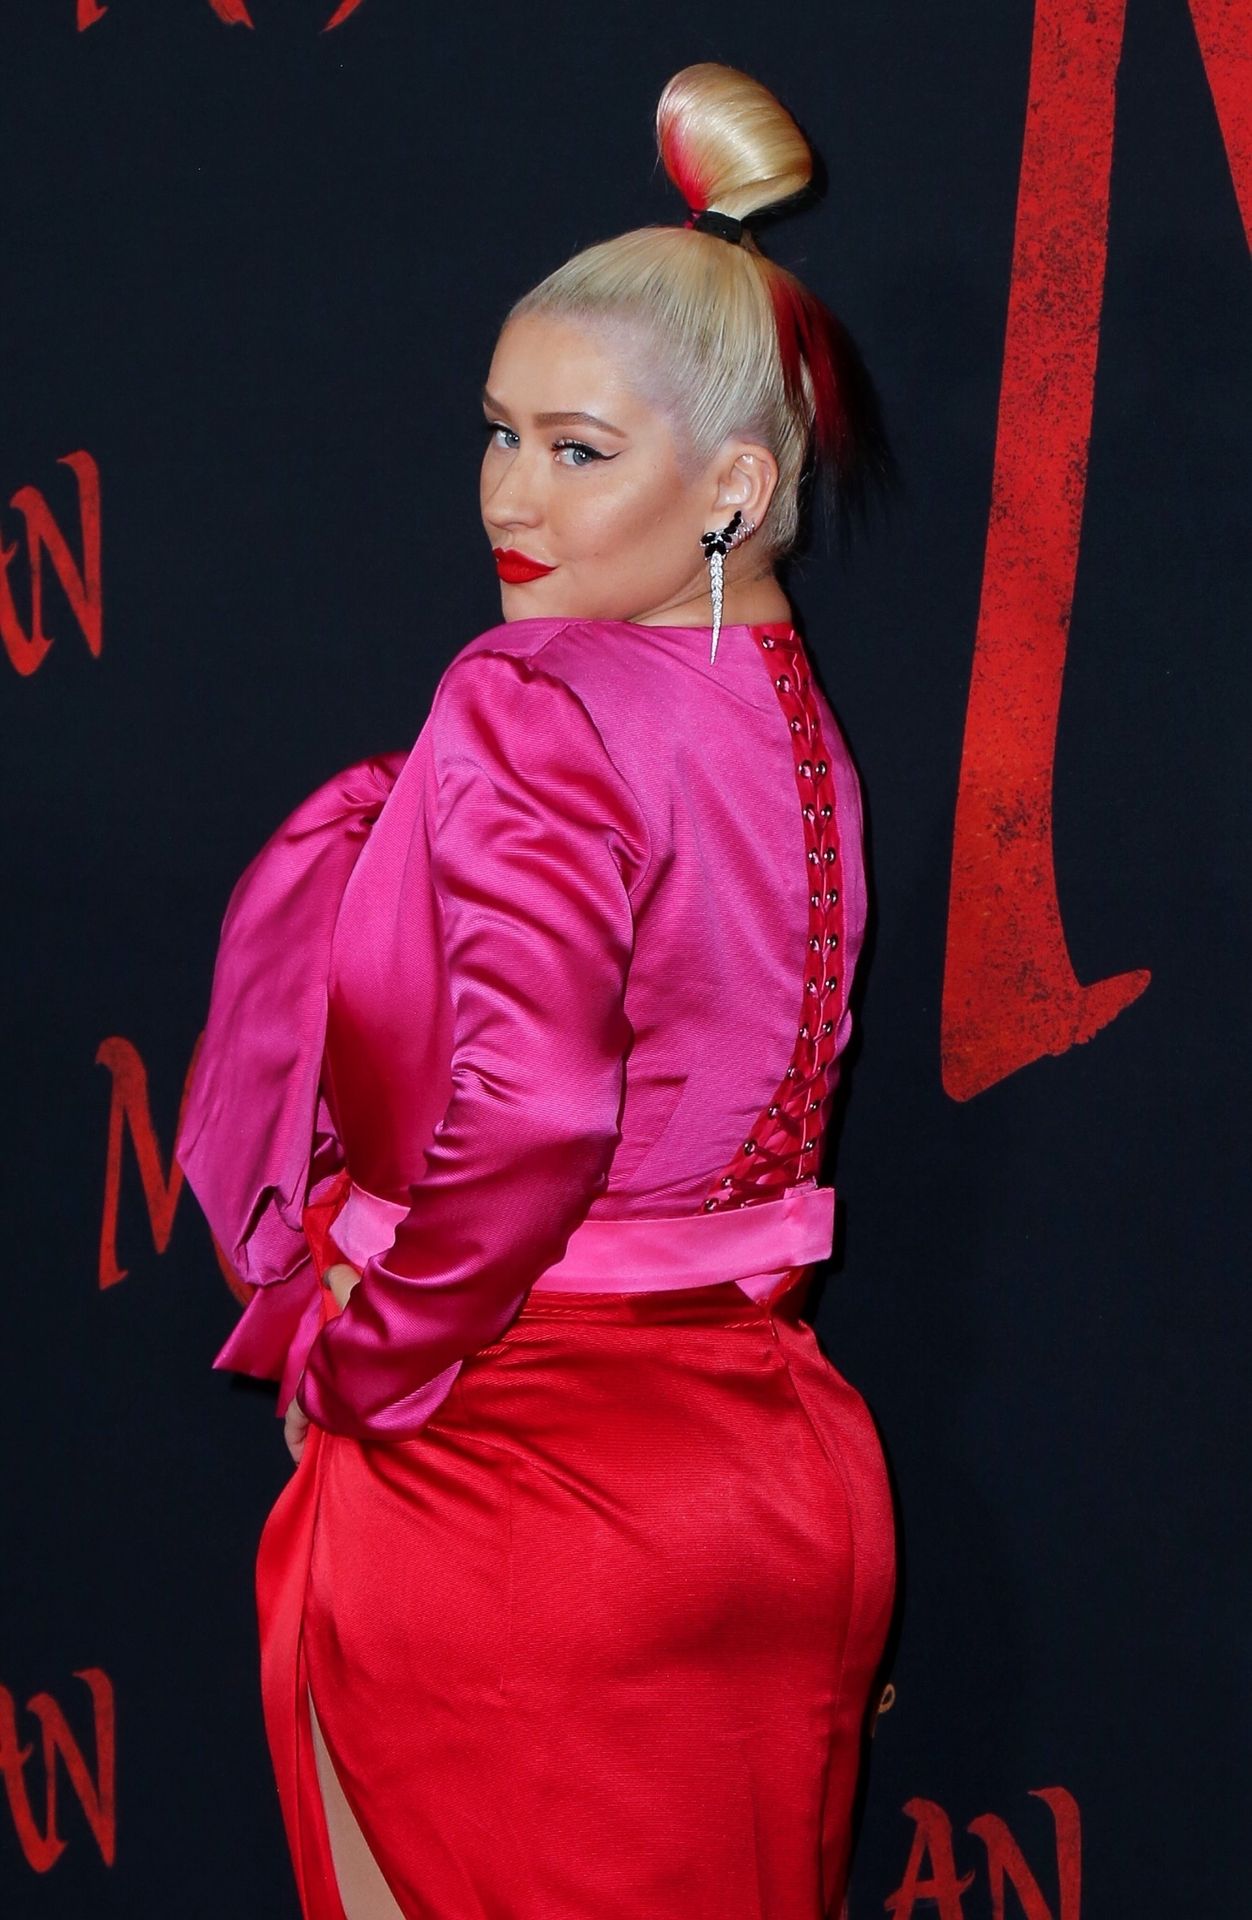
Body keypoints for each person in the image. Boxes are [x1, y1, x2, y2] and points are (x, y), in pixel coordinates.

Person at [177, 59, 898, 1920]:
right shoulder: (799, 729)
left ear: (736, 484)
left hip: (510, 1485)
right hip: (773, 1491)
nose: (512, 494)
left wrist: (358, 1360)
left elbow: (534, 1117)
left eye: (580, 451)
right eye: (501, 434)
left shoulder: (529, 700)